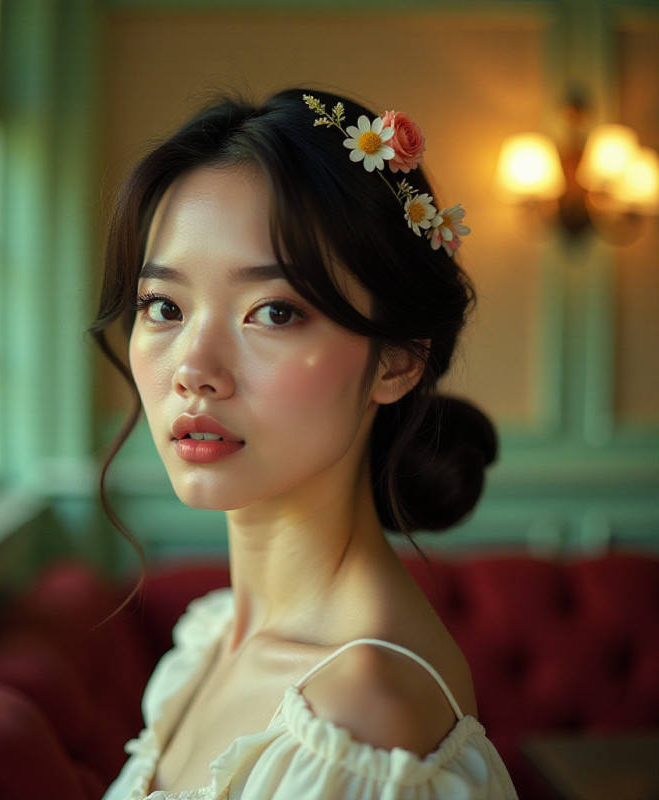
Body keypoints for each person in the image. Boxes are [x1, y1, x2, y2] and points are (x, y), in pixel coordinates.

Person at [92, 88, 518, 799]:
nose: (194, 370)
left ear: (396, 361)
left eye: (274, 312)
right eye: (164, 306)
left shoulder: (359, 724)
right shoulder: (213, 636)